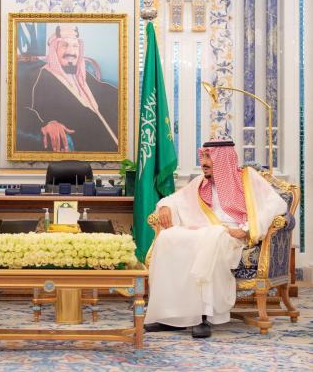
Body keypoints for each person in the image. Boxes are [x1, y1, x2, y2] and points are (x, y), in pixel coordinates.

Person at [143, 140, 287, 338]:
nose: (203, 162)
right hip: (204, 232)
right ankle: (172, 317)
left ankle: (203, 316)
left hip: (232, 236)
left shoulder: (247, 178)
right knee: (168, 237)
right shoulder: (200, 183)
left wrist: (246, 230)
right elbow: (175, 199)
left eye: (208, 157)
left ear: (223, 158)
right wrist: (165, 207)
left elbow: (275, 205)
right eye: (202, 157)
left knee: (210, 238)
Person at [16, 25, 119, 152]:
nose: (71, 51)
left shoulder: (82, 75)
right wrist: (46, 124)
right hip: (83, 149)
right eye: (64, 45)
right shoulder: (40, 77)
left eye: (75, 46)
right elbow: (21, 108)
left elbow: (104, 92)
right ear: (54, 51)